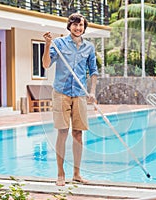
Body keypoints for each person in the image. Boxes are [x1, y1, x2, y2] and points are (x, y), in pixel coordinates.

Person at [42, 13, 98, 186]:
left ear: (84, 28)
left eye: (81, 25)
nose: (78, 28)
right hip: (61, 93)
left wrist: (92, 92)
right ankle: (60, 174)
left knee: (78, 134)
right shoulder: (58, 44)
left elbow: (93, 71)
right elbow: (46, 64)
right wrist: (47, 45)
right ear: (69, 26)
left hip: (80, 93)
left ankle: (77, 174)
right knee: (63, 132)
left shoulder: (89, 47)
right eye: (75, 25)